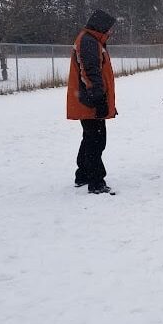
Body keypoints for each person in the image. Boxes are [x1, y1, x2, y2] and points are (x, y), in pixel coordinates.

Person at [67, 10, 117, 194]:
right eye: (110, 29)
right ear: (101, 26)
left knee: (90, 139)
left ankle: (83, 174)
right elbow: (90, 73)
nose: (111, 32)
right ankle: (96, 181)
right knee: (96, 141)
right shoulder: (89, 42)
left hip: (88, 99)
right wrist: (99, 99)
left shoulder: (93, 41)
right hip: (89, 101)